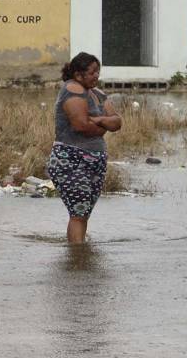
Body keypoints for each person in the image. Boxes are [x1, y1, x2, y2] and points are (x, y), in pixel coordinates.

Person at [47, 52, 122, 244]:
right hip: (70, 159)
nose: (96, 76)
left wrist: (99, 120)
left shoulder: (97, 94)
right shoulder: (72, 88)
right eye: (92, 72)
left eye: (98, 71)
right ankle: (77, 257)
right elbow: (81, 126)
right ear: (78, 74)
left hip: (95, 159)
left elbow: (117, 122)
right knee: (78, 213)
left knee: (84, 212)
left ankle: (79, 254)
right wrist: (102, 127)